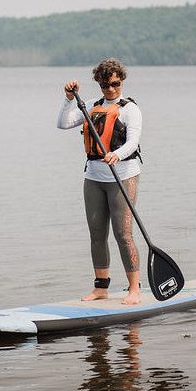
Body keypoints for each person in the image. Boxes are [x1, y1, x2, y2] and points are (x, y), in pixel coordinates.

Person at [57, 58, 143, 305]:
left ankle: (134, 288)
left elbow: (132, 143)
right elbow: (62, 123)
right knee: (97, 234)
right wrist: (68, 99)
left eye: (115, 83)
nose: (111, 89)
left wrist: (117, 154)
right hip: (93, 177)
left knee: (123, 234)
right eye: (105, 85)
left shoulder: (130, 109)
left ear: (121, 81)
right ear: (99, 84)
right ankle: (101, 287)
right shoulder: (91, 109)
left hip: (123, 176)